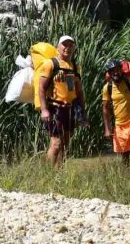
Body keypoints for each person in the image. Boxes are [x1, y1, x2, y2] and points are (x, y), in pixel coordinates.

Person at [39, 35, 85, 168]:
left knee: (65, 143)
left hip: (70, 109)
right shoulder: (51, 64)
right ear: (58, 47)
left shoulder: (75, 67)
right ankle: (47, 174)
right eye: (64, 45)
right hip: (55, 108)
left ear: (74, 48)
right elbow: (41, 87)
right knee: (56, 143)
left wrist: (83, 113)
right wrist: (44, 110)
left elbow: (79, 92)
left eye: (71, 45)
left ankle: (59, 173)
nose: (67, 48)